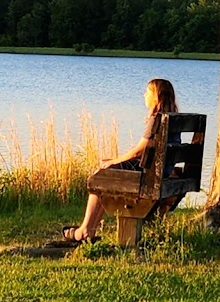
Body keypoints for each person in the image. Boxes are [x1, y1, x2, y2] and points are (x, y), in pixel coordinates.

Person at [63, 77, 177, 243]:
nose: (144, 95)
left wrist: (113, 161)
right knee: (107, 174)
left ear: (156, 97)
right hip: (159, 170)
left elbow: (139, 151)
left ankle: (85, 230)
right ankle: (89, 231)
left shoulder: (157, 119)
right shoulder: (173, 118)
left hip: (149, 174)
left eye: (147, 92)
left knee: (101, 176)